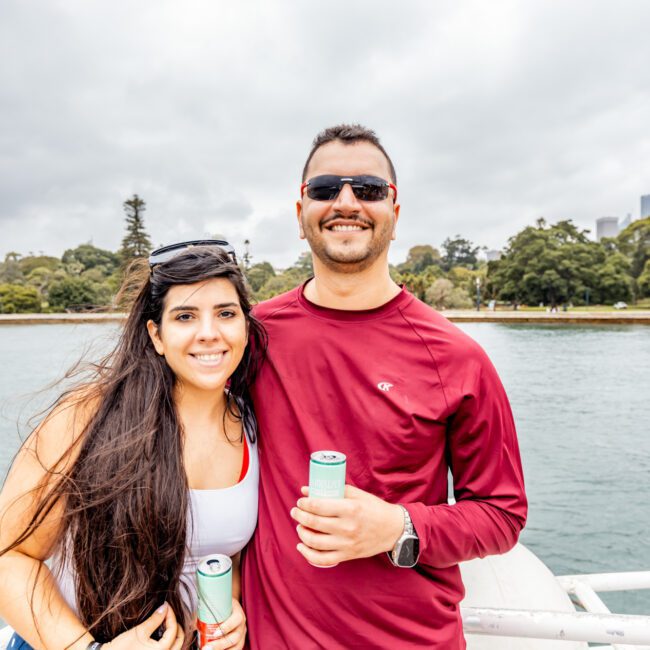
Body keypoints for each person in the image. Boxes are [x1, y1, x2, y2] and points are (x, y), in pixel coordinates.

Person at [241, 124, 527, 649]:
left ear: (395, 216)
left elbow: (502, 514)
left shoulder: (458, 358)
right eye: (325, 189)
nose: (346, 201)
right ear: (300, 215)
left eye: (369, 190)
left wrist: (398, 528)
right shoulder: (251, 337)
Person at [0, 243, 265, 650]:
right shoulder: (88, 415)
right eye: (185, 316)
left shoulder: (254, 424)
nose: (209, 332)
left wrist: (229, 608)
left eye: (226, 313)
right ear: (156, 335)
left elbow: (225, 553)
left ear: (245, 327)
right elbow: (11, 557)